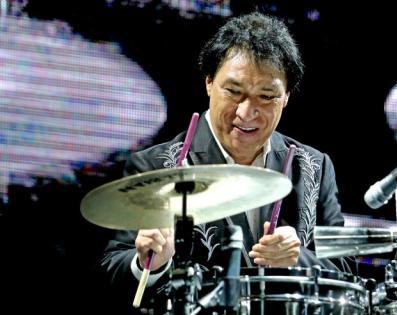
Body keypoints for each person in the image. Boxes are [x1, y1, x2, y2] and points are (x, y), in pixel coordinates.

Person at [99, 12, 344, 312]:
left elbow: (347, 272)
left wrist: (298, 257)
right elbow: (111, 271)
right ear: (209, 83)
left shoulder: (314, 167)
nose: (246, 112)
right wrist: (148, 263)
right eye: (234, 91)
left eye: (266, 96)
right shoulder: (154, 165)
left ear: (286, 97)